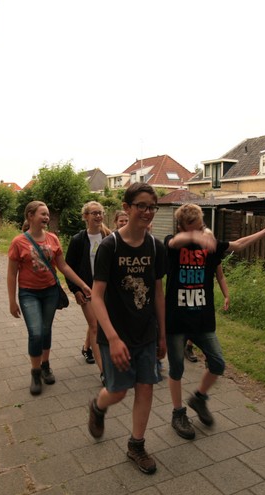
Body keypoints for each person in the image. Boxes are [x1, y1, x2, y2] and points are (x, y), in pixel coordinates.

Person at [164, 203, 265, 439]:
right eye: (194, 228)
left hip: (203, 319)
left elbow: (238, 245)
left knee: (217, 363)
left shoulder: (211, 247)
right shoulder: (173, 244)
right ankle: (178, 413)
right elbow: (173, 242)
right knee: (176, 368)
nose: (200, 232)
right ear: (181, 227)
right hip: (176, 320)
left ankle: (199, 398)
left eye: (202, 227)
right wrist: (196, 236)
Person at [87, 183, 166, 474]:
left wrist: (162, 334)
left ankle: (136, 445)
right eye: (141, 205)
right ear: (126, 207)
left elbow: (158, 292)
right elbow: (97, 296)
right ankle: (98, 406)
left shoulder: (156, 247)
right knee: (118, 392)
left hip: (145, 332)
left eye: (152, 207)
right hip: (115, 334)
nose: (147, 211)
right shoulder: (111, 246)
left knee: (145, 387)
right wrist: (112, 338)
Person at [8, 201, 92, 396]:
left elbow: (63, 266)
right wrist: (12, 301)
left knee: (46, 330)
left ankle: (45, 365)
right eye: (42, 214)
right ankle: (35, 372)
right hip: (28, 293)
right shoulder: (18, 242)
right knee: (36, 332)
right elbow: (12, 274)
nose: (46, 217)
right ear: (30, 216)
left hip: (50, 292)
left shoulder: (53, 238)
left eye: (47, 214)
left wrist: (82, 284)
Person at [65, 201, 111, 371]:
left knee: (96, 322)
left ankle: (86, 348)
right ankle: (104, 371)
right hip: (87, 290)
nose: (98, 216)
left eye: (100, 213)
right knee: (95, 326)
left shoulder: (109, 237)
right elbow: (69, 267)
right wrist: (75, 290)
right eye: (94, 213)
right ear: (86, 216)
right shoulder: (78, 240)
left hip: (107, 290)